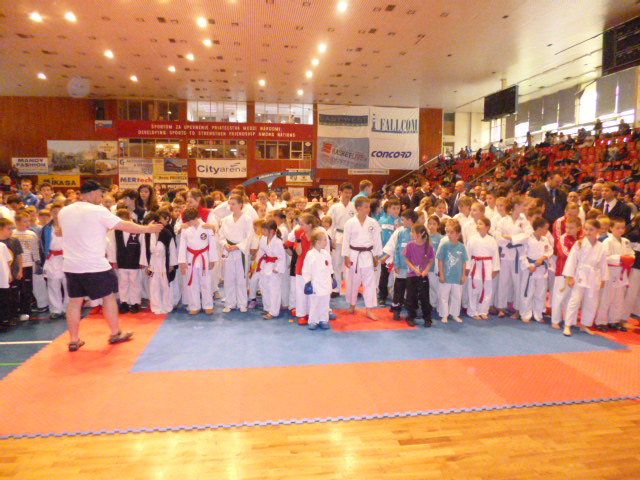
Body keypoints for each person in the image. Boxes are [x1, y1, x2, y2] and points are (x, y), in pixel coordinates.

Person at [58, 180, 163, 352]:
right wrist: (147, 229)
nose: (102, 198)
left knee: (75, 303)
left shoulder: (64, 211)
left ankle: (74, 339)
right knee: (109, 298)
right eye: (100, 194)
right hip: (95, 264)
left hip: (71, 265)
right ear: (92, 193)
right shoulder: (98, 211)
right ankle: (115, 333)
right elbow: (124, 225)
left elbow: (66, 230)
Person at [562, 219, 609, 337]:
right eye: (586, 229)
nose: (588, 232)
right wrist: (570, 276)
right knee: (575, 300)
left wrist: (603, 278)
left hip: (594, 275)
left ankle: (585, 324)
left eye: (591, 230)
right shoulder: (580, 243)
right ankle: (567, 325)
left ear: (598, 231)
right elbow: (572, 260)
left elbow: (603, 263)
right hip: (580, 273)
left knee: (591, 301)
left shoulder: (601, 246)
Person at [342, 196, 382, 320]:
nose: (368, 209)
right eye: (365, 207)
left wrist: (376, 255)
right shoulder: (350, 223)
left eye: (368, 207)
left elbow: (377, 240)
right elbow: (345, 240)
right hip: (354, 255)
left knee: (370, 283)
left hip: (368, 255)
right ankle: (352, 304)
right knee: (353, 282)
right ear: (358, 208)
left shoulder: (373, 222)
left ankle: (369, 309)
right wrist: (346, 256)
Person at [178, 207, 218, 315]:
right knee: (192, 283)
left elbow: (212, 244)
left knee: (206, 282)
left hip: (204, 257)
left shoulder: (207, 227)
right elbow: (182, 246)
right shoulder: (186, 229)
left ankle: (208, 305)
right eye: (188, 221)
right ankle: (194, 306)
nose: (189, 223)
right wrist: (182, 262)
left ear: (196, 218)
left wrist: (212, 259)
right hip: (190, 257)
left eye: (190, 221)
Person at [596, 217, 634, 332]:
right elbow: (604, 257)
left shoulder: (626, 241)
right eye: (618, 228)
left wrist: (629, 259)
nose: (621, 230)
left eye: (622, 228)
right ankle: (601, 321)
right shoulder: (607, 241)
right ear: (611, 228)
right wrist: (620, 258)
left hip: (622, 272)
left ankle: (614, 320)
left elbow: (631, 254)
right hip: (610, 272)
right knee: (606, 298)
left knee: (619, 298)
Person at [496, 196, 531, 319]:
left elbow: (527, 236)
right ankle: (501, 308)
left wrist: (511, 238)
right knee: (503, 282)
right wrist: (509, 241)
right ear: (516, 206)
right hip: (505, 253)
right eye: (523, 205)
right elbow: (498, 235)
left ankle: (517, 309)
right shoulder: (503, 220)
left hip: (518, 255)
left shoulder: (524, 221)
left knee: (518, 283)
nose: (525, 208)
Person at [218, 194, 254, 313]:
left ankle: (242, 303)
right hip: (228, 251)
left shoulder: (247, 219)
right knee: (228, 279)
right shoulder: (225, 219)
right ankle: (230, 303)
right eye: (230, 204)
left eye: (233, 204)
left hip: (240, 252)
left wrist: (238, 246)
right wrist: (225, 244)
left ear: (240, 205)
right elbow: (221, 235)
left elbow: (249, 236)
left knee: (241, 279)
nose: (231, 206)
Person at [382, 210, 417, 321]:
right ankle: (396, 310)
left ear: (410, 220)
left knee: (412, 291)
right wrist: (396, 264)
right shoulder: (400, 232)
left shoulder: (418, 232)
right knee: (399, 290)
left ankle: (411, 314)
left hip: (413, 269)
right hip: (401, 267)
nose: (402, 222)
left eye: (403, 220)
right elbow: (396, 249)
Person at [140, 209, 178, 315]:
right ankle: (156, 306)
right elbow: (144, 250)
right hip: (153, 262)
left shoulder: (166, 233)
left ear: (156, 222)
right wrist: (146, 265)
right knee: (154, 285)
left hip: (164, 262)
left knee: (165, 285)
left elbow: (172, 249)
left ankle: (167, 305)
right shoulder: (147, 234)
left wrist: (172, 264)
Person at [107, 209, 144, 314]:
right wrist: (113, 261)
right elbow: (112, 246)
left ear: (129, 218)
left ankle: (135, 303)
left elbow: (143, 246)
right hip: (121, 260)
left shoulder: (137, 229)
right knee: (123, 282)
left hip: (135, 260)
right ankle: (124, 302)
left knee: (135, 282)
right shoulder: (114, 231)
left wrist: (143, 260)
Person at [465, 216, 500, 320]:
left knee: (487, 289)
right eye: (478, 224)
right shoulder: (472, 239)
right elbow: (467, 254)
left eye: (481, 224)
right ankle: (472, 311)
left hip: (488, 265)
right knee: (474, 289)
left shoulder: (492, 240)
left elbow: (495, 255)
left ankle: (483, 310)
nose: (478, 226)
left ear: (487, 227)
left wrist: (495, 269)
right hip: (475, 265)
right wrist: (467, 267)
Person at [519, 218, 553, 323]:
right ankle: (526, 314)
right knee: (528, 292)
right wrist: (528, 266)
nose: (547, 231)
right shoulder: (527, 239)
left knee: (541, 293)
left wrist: (543, 257)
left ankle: (538, 315)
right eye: (545, 228)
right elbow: (522, 255)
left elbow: (549, 251)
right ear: (539, 228)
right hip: (530, 268)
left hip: (541, 269)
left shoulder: (545, 239)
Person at [550, 217, 581, 329]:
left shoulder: (579, 240)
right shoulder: (563, 238)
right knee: (559, 297)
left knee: (572, 298)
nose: (568, 230)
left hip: (575, 273)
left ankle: (570, 320)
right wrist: (578, 259)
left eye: (571, 228)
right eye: (567, 227)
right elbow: (564, 253)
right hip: (562, 272)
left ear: (578, 228)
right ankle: (555, 320)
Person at [402, 224, 435, 327]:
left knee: (425, 297)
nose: (411, 234)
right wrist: (415, 269)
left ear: (420, 235)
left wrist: (426, 270)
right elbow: (407, 260)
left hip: (423, 276)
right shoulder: (410, 245)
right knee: (411, 297)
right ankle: (411, 317)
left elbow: (431, 260)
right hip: (412, 275)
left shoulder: (428, 246)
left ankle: (427, 318)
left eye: (413, 232)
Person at [436, 219, 468, 323]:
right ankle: (444, 314)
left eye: (451, 232)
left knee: (457, 296)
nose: (449, 234)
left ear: (458, 234)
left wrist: (463, 275)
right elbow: (440, 260)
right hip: (446, 275)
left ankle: (455, 314)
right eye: (447, 232)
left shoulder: (461, 247)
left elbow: (464, 261)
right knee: (444, 296)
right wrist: (441, 274)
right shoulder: (444, 245)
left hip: (457, 276)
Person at [301, 230, 333, 330]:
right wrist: (308, 282)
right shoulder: (310, 254)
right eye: (324, 240)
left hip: (326, 282)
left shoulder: (326, 253)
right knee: (315, 303)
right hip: (315, 283)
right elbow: (306, 270)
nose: (326, 242)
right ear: (318, 242)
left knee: (325, 302)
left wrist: (332, 277)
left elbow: (330, 267)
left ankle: (323, 319)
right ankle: (313, 320)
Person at [41, 203, 67, 320]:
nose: (57, 215)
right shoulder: (47, 228)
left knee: (68, 284)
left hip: (67, 257)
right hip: (52, 257)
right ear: (51, 213)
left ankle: (68, 308)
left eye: (59, 212)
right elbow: (42, 244)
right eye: (55, 212)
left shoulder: (69, 226)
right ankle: (56, 309)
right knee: (53, 284)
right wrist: (44, 260)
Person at [12, 210, 40, 321]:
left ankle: (26, 310)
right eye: (24, 221)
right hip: (15, 266)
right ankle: (15, 310)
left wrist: (37, 262)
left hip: (28, 264)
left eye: (28, 221)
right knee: (15, 288)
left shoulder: (31, 234)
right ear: (17, 222)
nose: (27, 223)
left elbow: (35, 250)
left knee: (27, 288)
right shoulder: (12, 234)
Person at [256, 220, 286, 319]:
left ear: (272, 231)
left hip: (275, 266)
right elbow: (261, 252)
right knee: (263, 286)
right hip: (265, 264)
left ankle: (274, 311)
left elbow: (282, 257)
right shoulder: (263, 239)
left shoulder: (278, 242)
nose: (263, 232)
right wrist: (257, 263)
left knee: (274, 289)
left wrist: (277, 268)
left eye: (265, 230)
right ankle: (267, 307)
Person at [377, 198, 401, 305]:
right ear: (389, 209)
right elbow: (383, 238)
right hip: (386, 254)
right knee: (384, 276)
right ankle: (382, 296)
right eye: (394, 208)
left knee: (398, 276)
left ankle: (396, 296)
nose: (396, 211)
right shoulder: (383, 221)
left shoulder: (402, 221)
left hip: (399, 254)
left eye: (398, 208)